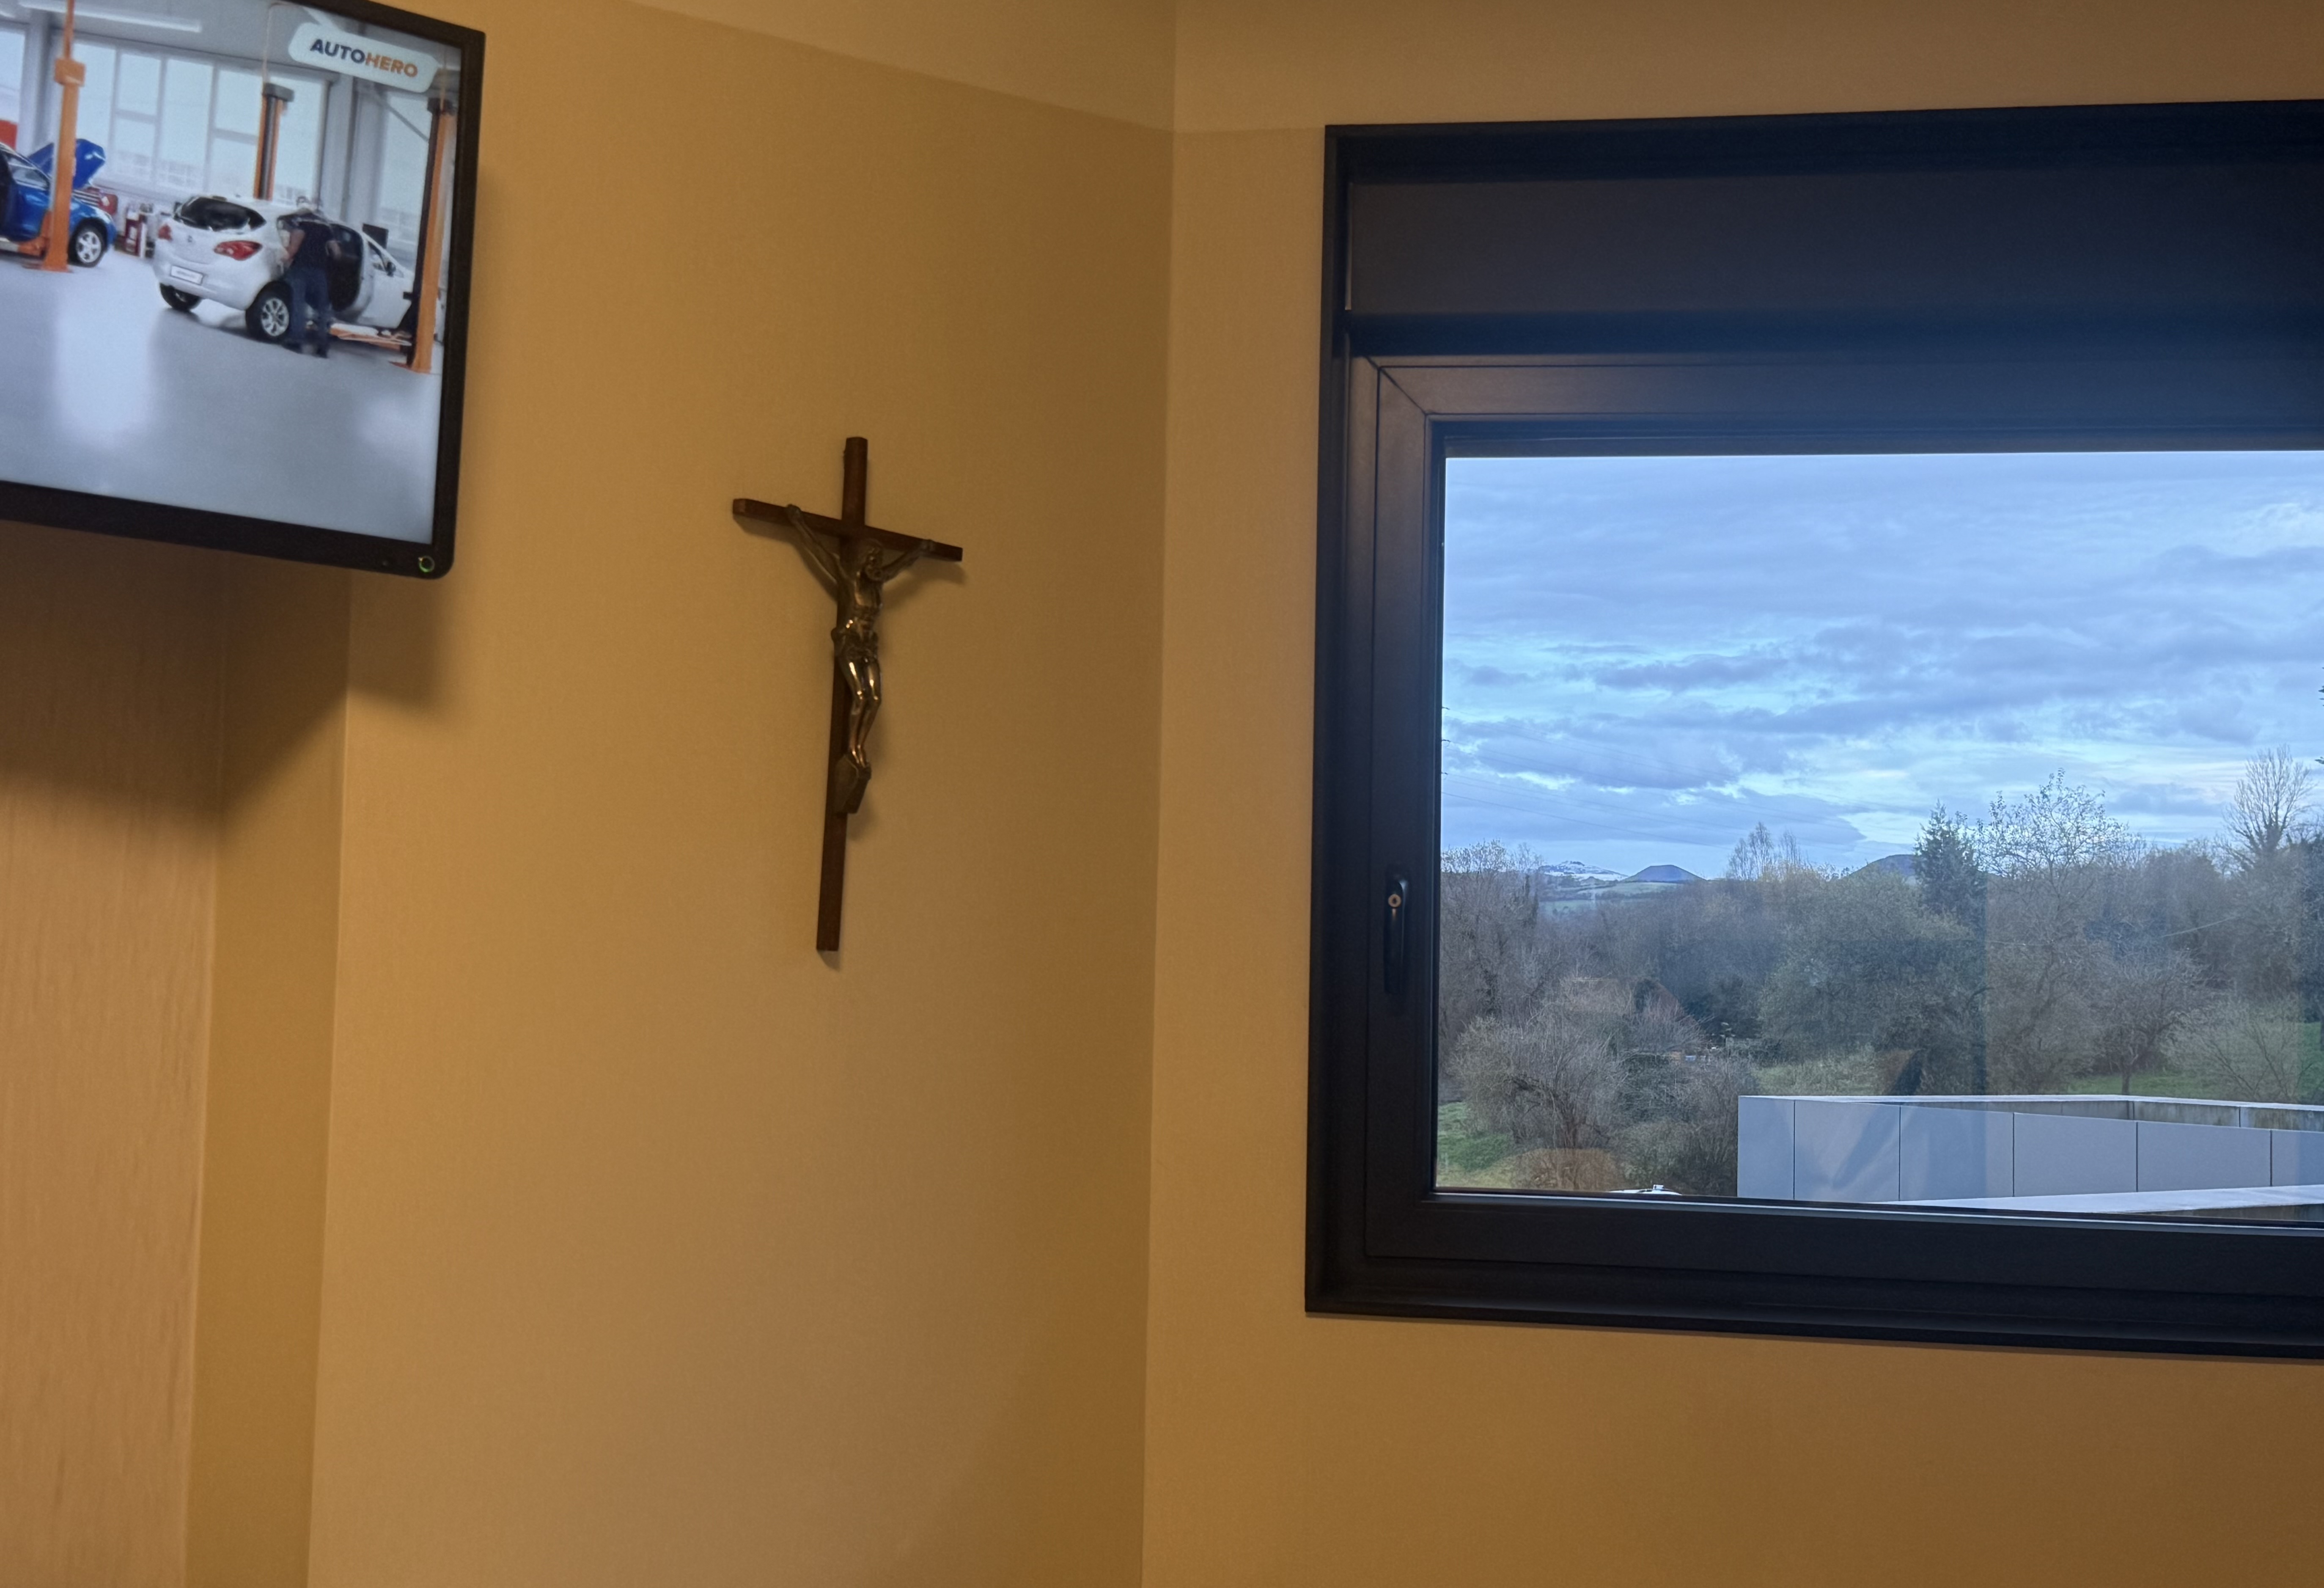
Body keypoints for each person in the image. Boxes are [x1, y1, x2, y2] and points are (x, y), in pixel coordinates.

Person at [280, 214, 341, 357]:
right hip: (320, 273)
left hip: (300, 270)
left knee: (299, 305)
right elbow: (337, 253)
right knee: (323, 309)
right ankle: (322, 346)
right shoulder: (326, 230)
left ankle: (296, 341)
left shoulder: (301, 226)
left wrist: (282, 260)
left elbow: (293, 250)